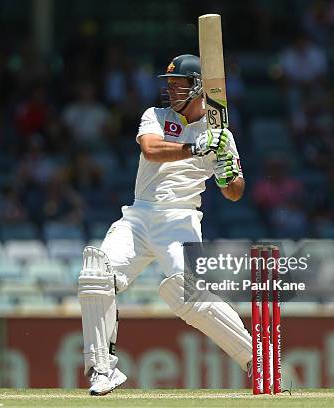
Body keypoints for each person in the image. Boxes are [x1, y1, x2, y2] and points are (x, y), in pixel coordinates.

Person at [78, 54, 251, 396]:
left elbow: (234, 193)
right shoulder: (155, 116)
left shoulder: (222, 136)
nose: (170, 91)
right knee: (96, 274)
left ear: (198, 87)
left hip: (180, 219)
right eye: (168, 85)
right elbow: (150, 150)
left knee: (188, 295)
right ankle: (102, 370)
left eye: (178, 85)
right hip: (139, 216)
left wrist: (226, 171)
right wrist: (196, 147)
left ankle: (257, 360)